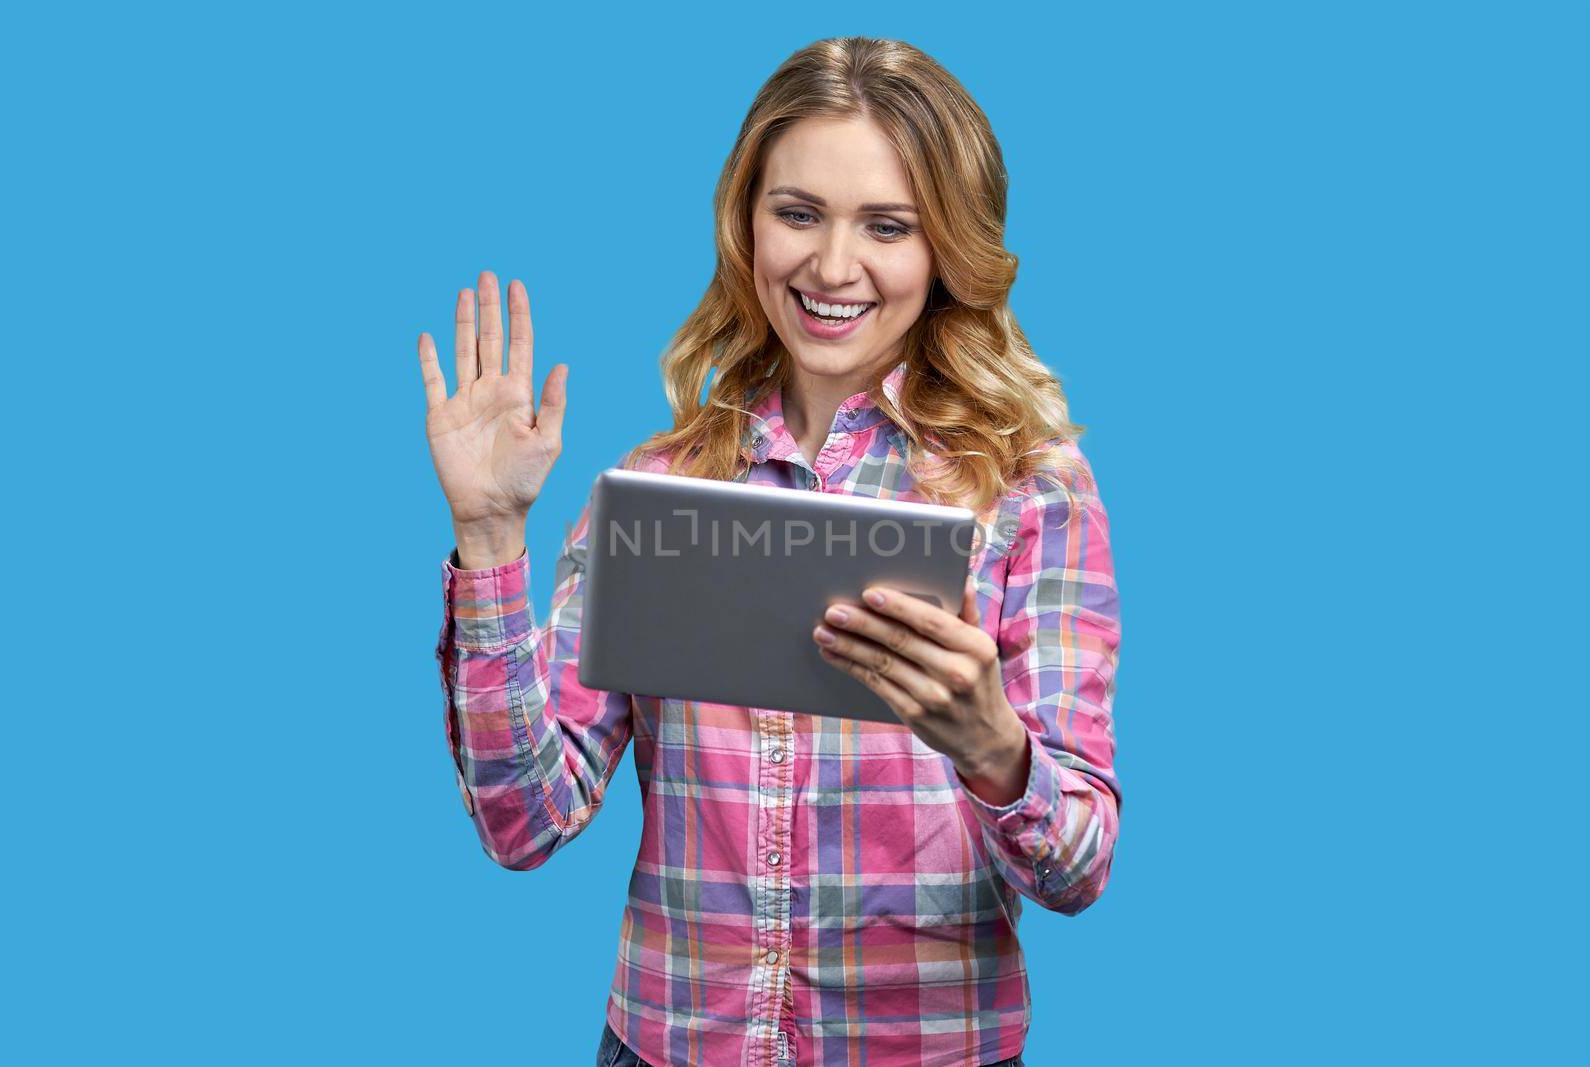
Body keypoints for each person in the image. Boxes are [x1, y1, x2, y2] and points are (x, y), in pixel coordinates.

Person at [418, 36, 1122, 1067]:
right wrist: (489, 541)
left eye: (888, 225)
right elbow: (524, 821)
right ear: (745, 222)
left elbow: (1078, 868)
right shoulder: (659, 493)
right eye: (797, 213)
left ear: (947, 249)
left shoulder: (1027, 486)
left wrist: (991, 746)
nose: (832, 266)